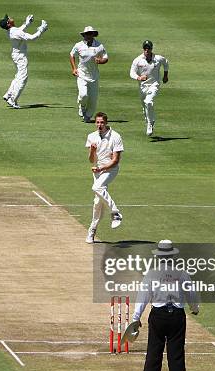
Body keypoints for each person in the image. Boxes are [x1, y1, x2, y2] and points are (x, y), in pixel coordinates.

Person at [131, 240, 200, 371]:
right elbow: (192, 295)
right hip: (177, 315)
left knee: (154, 352)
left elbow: (143, 296)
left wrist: (136, 317)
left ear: (159, 256)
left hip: (158, 315)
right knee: (176, 354)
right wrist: (194, 309)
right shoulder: (181, 273)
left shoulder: (152, 274)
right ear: (173, 256)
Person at [85, 112, 123, 244]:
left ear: (106, 123)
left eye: (102, 122)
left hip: (110, 170)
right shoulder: (91, 136)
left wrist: (102, 168)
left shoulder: (116, 136)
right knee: (97, 202)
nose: (99, 125)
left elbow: (116, 161)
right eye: (97, 122)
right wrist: (92, 151)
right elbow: (91, 160)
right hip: (97, 171)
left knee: (97, 187)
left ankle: (115, 212)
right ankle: (92, 230)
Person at [0, 14, 48, 109]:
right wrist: (41, 30)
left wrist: (27, 23)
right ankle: (12, 99)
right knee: (23, 78)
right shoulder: (15, 32)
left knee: (18, 76)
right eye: (8, 19)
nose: (10, 18)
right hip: (20, 57)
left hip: (16, 55)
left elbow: (19, 31)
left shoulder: (12, 31)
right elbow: (32, 38)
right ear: (8, 24)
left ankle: (8, 94)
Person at [129, 40, 169, 136]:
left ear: (151, 49)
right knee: (144, 106)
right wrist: (139, 77)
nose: (147, 50)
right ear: (143, 49)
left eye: (149, 48)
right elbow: (132, 73)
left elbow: (166, 63)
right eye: (145, 48)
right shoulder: (137, 60)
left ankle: (150, 124)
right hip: (142, 86)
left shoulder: (158, 59)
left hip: (154, 84)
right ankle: (150, 120)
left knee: (148, 101)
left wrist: (165, 75)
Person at [70, 26, 109, 123]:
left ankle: (87, 116)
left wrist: (100, 61)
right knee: (83, 95)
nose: (88, 35)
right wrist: (74, 68)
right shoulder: (79, 45)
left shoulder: (99, 46)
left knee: (93, 101)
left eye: (90, 33)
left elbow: (106, 58)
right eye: (86, 34)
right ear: (84, 35)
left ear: (93, 34)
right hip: (82, 75)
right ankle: (82, 106)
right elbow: (71, 55)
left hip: (94, 76)